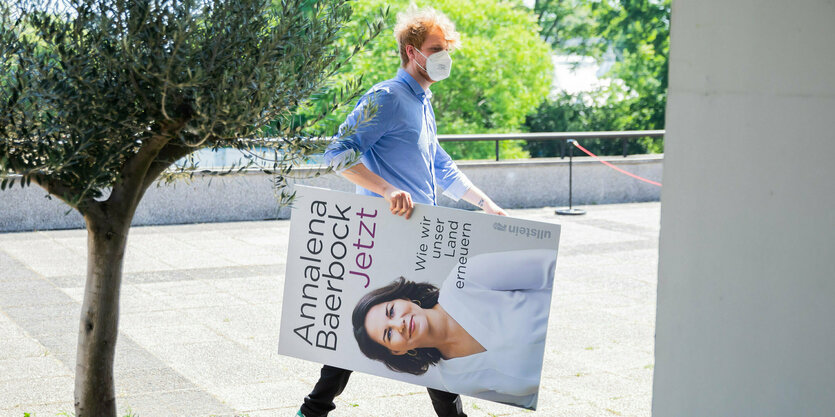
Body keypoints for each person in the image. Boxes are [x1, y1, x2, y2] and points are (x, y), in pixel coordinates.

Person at [295, 5, 506, 417]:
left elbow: (442, 166)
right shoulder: (388, 97)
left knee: (410, 337)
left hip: (421, 232)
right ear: (412, 51)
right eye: (435, 48)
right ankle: (313, 410)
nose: (444, 56)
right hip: (386, 233)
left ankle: (313, 410)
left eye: (446, 49)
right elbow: (337, 153)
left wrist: (486, 205)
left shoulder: (423, 103)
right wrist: (387, 189)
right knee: (369, 335)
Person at [351, 250, 556, 410]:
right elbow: (531, 401)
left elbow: (553, 266)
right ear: (397, 351)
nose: (399, 324)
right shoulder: (456, 380)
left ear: (404, 298)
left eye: (391, 311)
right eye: (389, 334)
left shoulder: (466, 276)